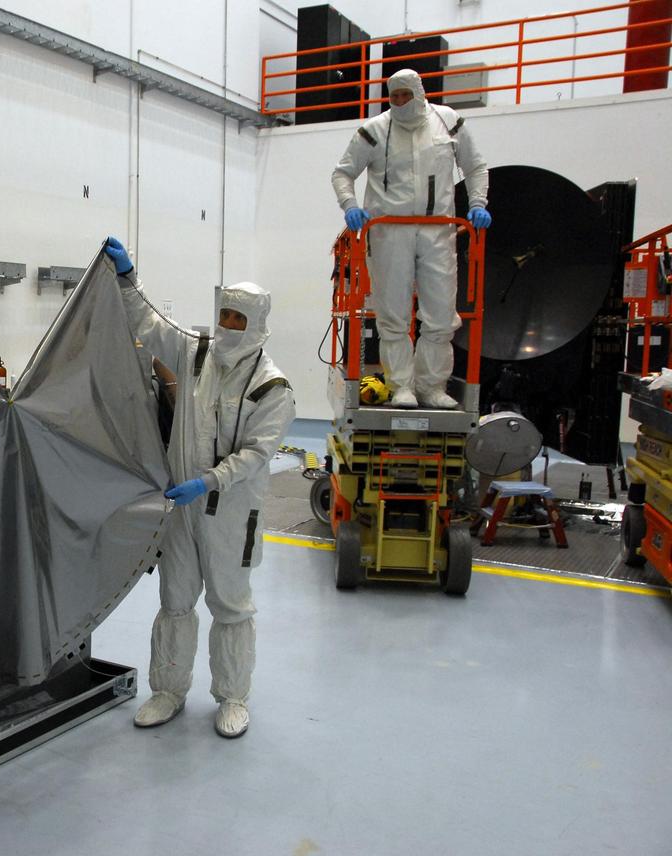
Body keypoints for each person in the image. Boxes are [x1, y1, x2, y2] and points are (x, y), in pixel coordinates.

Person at [103, 236, 296, 738]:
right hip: (181, 510)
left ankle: (232, 698)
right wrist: (127, 276)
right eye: (226, 315)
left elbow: (257, 456)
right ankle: (167, 690)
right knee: (175, 599)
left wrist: (209, 481)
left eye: (240, 319)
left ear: (257, 325)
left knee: (230, 605)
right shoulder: (196, 353)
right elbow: (148, 323)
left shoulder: (271, 386)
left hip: (231, 512)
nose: (230, 326)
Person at [331, 68, 490, 410]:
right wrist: (350, 207)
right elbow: (343, 172)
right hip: (389, 231)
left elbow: (475, 167)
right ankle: (402, 385)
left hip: (438, 230)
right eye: (395, 96)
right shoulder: (374, 131)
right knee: (393, 315)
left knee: (440, 315)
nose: (401, 102)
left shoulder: (449, 123)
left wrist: (477, 204)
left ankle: (432, 387)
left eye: (406, 94)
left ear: (419, 92)